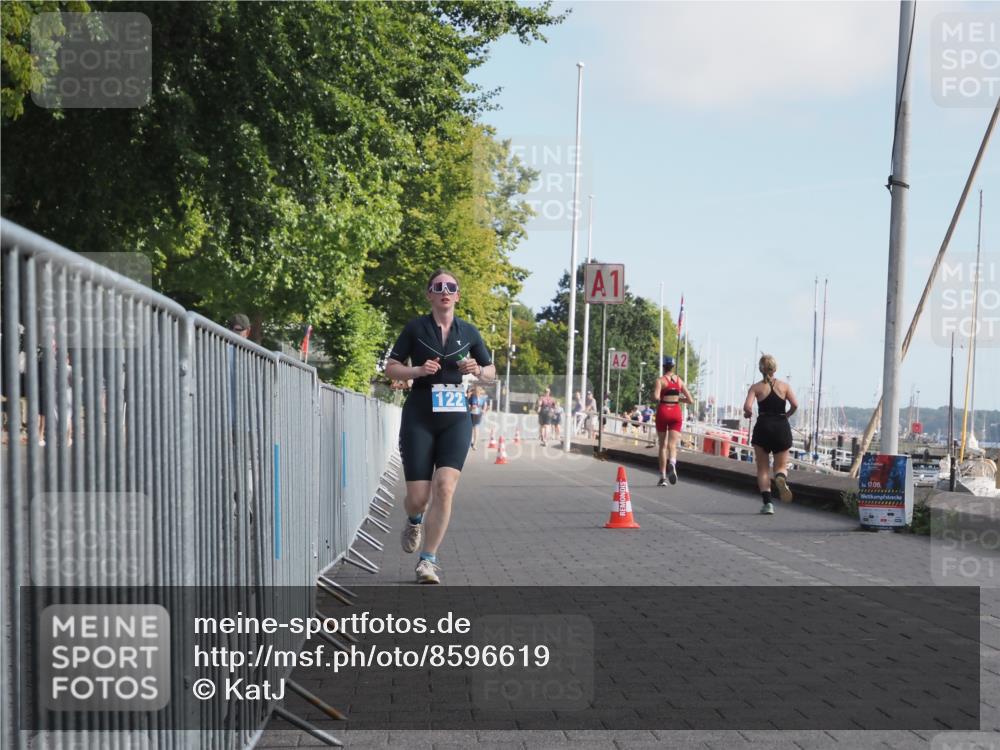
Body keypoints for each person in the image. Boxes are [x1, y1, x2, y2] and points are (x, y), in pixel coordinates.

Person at [384, 270, 495, 584]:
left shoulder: (468, 331)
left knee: (445, 486)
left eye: (451, 287)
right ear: (429, 294)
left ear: (457, 295)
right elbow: (391, 367)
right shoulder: (415, 328)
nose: (445, 291)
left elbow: (491, 372)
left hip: (455, 417)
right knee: (418, 497)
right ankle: (414, 519)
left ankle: (427, 562)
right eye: (438, 287)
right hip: (419, 415)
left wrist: (478, 369)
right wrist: (418, 370)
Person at [743, 354, 799, 515]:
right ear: (775, 369)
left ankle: (768, 504)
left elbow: (747, 407)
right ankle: (781, 477)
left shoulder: (756, 387)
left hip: (763, 427)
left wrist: (748, 414)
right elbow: (795, 404)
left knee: (763, 469)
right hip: (781, 427)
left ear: (761, 369)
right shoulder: (785, 386)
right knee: (781, 466)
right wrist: (787, 415)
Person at [653, 356, 694, 486]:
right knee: (672, 445)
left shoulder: (660, 381)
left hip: (663, 411)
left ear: (663, 367)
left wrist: (658, 396)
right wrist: (677, 398)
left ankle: (663, 477)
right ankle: (672, 463)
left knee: (662, 445)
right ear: (673, 367)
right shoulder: (679, 380)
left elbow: (656, 397)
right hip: (676, 412)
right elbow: (690, 400)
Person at [467, 386, 484, 450]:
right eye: (475, 392)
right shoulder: (472, 397)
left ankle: (474, 444)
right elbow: (468, 404)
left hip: (477, 414)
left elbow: (485, 406)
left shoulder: (482, 398)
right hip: (471, 414)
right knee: (470, 429)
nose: (476, 393)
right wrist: (471, 407)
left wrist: (483, 410)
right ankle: (471, 442)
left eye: (477, 392)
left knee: (476, 429)